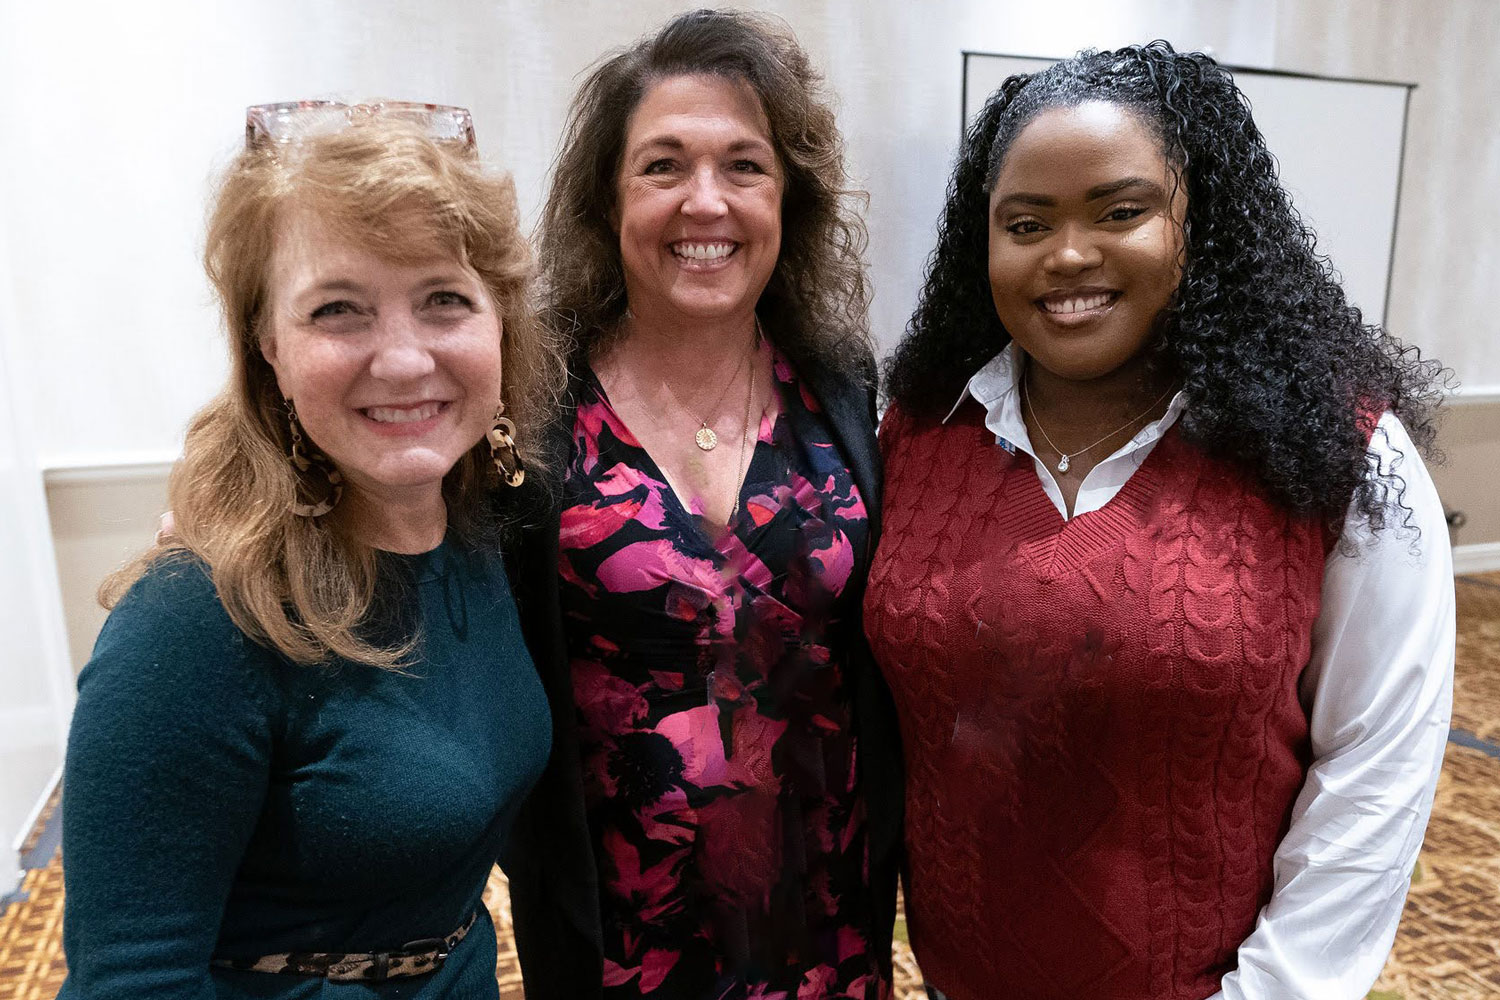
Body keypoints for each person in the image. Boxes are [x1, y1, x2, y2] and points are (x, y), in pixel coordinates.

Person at [865, 43, 1454, 1000]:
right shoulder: (923, 433)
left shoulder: (1337, 453)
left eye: (1121, 211)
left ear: (1200, 225)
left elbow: (1376, 774)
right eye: (1025, 223)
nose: (1066, 254)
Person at [59, 102, 564, 999]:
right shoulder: (197, 617)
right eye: (339, 311)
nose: (404, 359)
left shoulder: (490, 531)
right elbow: (132, 980)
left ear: (500, 325)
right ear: (270, 352)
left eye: (444, 299)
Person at [504, 10, 901, 999]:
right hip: (622, 936)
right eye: (663, 166)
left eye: (744, 166)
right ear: (607, 198)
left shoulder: (842, 388)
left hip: (831, 921)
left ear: (788, 198)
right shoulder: (532, 402)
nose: (706, 201)